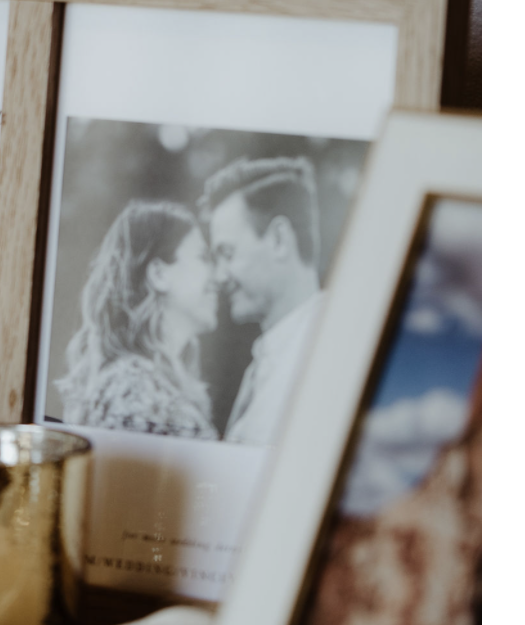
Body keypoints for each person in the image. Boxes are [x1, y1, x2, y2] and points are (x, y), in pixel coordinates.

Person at [54, 199, 218, 437]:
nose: (217, 277)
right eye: (203, 258)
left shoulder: (148, 383)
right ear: (159, 274)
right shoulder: (131, 390)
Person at [201, 156, 325, 445]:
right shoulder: (267, 360)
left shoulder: (327, 361)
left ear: (279, 240)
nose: (219, 276)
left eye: (227, 254)